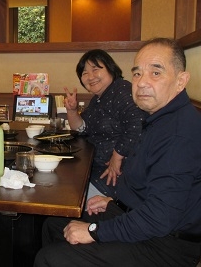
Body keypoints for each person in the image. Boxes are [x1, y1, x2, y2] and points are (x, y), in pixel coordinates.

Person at [34, 38, 201, 267]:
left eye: (155, 73)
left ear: (181, 80)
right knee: (53, 226)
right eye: (137, 74)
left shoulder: (178, 133)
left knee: (48, 258)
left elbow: (159, 217)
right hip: (139, 216)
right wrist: (116, 202)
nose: (141, 83)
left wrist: (94, 231)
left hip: (164, 245)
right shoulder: (159, 117)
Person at [64, 49, 146, 199]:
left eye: (95, 69)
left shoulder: (122, 89)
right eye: (84, 73)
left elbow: (137, 125)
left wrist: (117, 156)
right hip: (96, 166)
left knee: (69, 196)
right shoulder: (98, 98)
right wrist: (72, 110)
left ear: (110, 68)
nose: (90, 77)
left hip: (117, 173)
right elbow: (82, 128)